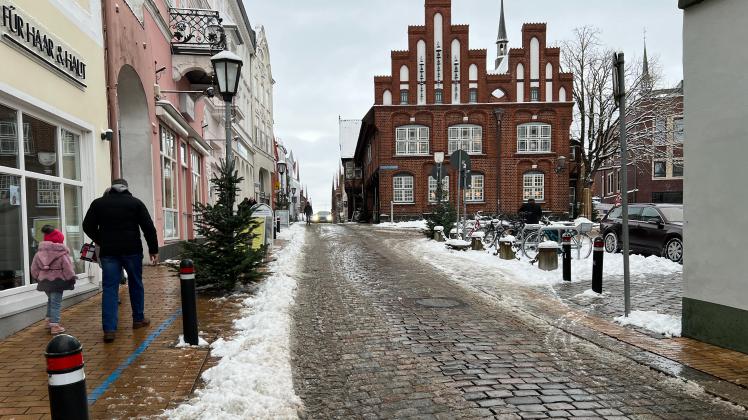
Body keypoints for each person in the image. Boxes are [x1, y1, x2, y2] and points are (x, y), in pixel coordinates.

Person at [83, 179, 158, 343]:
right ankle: (138, 319)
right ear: (126, 188)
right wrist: (153, 250)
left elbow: (87, 226)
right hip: (132, 251)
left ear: (111, 188)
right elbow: (148, 227)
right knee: (136, 283)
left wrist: (100, 239)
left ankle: (109, 329)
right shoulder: (136, 203)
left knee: (110, 288)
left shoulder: (98, 204)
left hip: (109, 252)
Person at [31, 225, 76, 335]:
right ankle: (55, 325)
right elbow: (68, 269)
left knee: (51, 300)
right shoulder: (62, 254)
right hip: (57, 281)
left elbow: (34, 269)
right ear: (59, 240)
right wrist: (71, 278)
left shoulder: (39, 253)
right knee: (56, 303)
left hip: (44, 282)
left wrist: (38, 277)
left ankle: (48, 321)